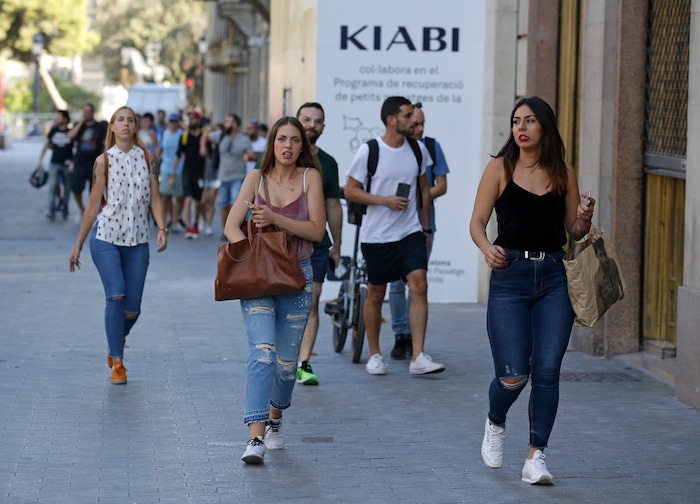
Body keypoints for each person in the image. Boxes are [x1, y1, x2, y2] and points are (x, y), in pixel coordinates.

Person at [469, 96, 595, 485]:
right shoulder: (500, 168)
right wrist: (487, 247)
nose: (521, 128)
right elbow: (477, 222)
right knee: (512, 376)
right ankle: (495, 420)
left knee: (546, 371)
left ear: (544, 127)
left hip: (555, 277)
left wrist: (584, 218)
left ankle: (536, 456)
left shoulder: (563, 172)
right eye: (515, 121)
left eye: (529, 121)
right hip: (510, 276)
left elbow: (575, 234)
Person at [223, 116, 325, 464]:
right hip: (259, 280)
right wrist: (253, 257)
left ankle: (276, 416)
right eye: (282, 139)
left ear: (302, 147)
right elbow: (231, 226)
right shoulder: (256, 179)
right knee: (262, 352)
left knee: (285, 364)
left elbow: (316, 231)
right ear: (272, 143)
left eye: (295, 140)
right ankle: (255, 436)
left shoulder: (311, 178)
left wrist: (275, 220)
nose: (288, 146)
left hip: (298, 275)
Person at [68, 106, 168, 385]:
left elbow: (156, 198)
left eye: (130, 120)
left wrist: (162, 227)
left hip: (138, 242)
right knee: (116, 295)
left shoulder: (149, 159)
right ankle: (118, 362)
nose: (125, 124)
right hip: (106, 238)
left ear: (136, 127)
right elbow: (91, 205)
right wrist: (77, 245)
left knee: (133, 309)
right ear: (112, 127)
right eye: (120, 120)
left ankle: (116, 338)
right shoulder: (104, 161)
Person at [345, 96, 445, 376]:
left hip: (410, 231)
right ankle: (375, 354)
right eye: (408, 115)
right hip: (376, 235)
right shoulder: (369, 151)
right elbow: (350, 190)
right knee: (377, 292)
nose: (414, 120)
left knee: (420, 285)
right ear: (392, 120)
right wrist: (383, 200)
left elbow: (424, 189)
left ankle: (418, 356)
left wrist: (425, 228)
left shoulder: (418, 149)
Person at [388, 104, 450, 359]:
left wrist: (418, 196)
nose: (420, 128)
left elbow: (442, 186)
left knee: (417, 283)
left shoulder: (431, 147)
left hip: (423, 225)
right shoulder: (391, 149)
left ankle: (415, 340)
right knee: (394, 285)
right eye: (416, 123)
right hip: (393, 226)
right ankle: (400, 335)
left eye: (423, 123)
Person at [294, 102, 343, 385]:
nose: (312, 125)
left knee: (311, 304)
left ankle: (303, 363)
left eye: (318, 121)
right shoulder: (277, 155)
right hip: (281, 245)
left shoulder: (329, 163)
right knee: (283, 302)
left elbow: (333, 204)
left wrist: (337, 244)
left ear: (323, 127)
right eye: (307, 119)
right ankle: (283, 358)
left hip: (317, 245)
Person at [203, 113, 252, 239]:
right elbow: (206, 137)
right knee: (223, 206)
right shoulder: (220, 135)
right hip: (223, 177)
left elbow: (251, 154)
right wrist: (203, 146)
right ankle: (226, 230)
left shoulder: (244, 139)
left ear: (235, 125)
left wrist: (247, 156)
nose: (225, 124)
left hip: (238, 177)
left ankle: (234, 230)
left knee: (234, 205)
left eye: (228, 122)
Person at [67, 103, 108, 221]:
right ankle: (81, 209)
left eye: (89, 111)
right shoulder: (78, 126)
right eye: (85, 111)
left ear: (93, 112)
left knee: (95, 191)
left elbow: (105, 143)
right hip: (79, 162)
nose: (87, 114)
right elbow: (70, 136)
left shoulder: (99, 127)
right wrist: (80, 123)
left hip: (94, 164)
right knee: (76, 189)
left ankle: (93, 212)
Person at [174, 114, 206, 239]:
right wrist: (173, 173)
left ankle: (196, 224)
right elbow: (178, 155)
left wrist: (205, 147)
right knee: (187, 199)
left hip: (199, 173)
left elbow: (210, 150)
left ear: (198, 120)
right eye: (190, 119)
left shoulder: (204, 136)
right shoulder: (184, 136)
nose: (191, 121)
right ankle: (188, 228)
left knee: (198, 203)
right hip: (186, 172)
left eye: (193, 118)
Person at [37, 110, 73, 221]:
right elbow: (47, 144)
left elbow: (78, 148)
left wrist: (74, 162)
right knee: (52, 187)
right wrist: (40, 159)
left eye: (59, 117)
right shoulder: (53, 130)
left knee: (67, 189)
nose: (57, 119)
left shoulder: (71, 132)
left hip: (67, 164)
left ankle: (65, 210)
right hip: (54, 163)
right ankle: (51, 210)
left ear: (65, 119)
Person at [157, 113, 184, 233]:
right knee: (165, 195)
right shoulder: (164, 134)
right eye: (171, 121)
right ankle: (166, 219)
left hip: (180, 168)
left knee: (179, 196)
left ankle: (175, 219)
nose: (173, 124)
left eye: (175, 121)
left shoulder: (182, 134)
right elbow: (159, 149)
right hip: (165, 168)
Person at [199, 121, 222, 236]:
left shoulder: (219, 145)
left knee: (212, 200)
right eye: (207, 132)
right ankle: (203, 218)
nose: (209, 134)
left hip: (216, 174)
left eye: (211, 131)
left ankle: (209, 225)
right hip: (204, 175)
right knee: (203, 201)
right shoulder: (204, 145)